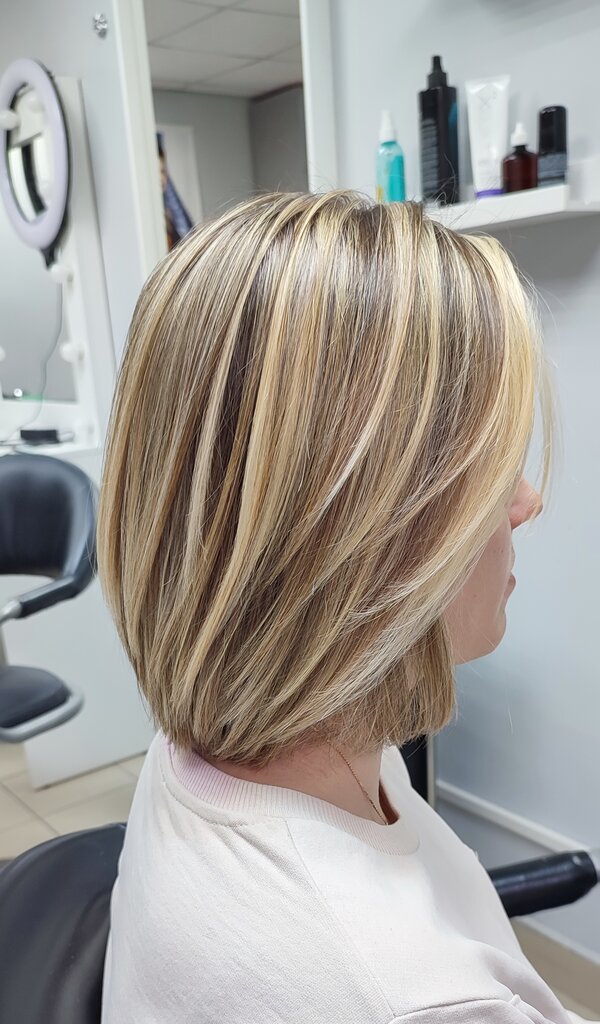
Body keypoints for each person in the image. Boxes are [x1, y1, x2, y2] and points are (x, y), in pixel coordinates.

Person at [98, 192, 593, 1023]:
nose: (527, 502)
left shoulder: (230, 749)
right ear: (359, 534)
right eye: (493, 466)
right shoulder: (415, 1003)